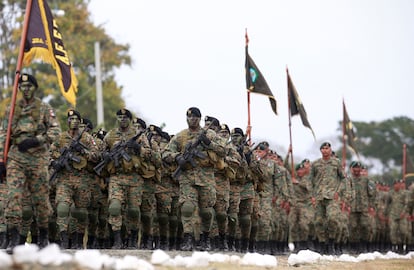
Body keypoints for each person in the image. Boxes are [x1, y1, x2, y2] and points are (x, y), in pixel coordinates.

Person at [0, 73, 61, 254]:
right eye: (23, 86)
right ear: (19, 89)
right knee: (13, 198)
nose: (26, 89)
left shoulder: (44, 109)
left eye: (29, 86)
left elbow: (56, 132)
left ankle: (43, 238)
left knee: (40, 200)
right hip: (16, 158)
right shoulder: (12, 110)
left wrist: (37, 140)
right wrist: (1, 159)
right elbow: (4, 134)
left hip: (37, 159)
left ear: (35, 88)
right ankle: (14, 240)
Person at [162, 107, 225, 251]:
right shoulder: (181, 136)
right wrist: (177, 157)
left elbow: (224, 151)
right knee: (187, 208)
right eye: (190, 117)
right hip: (187, 177)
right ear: (186, 119)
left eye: (195, 117)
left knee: (207, 211)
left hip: (206, 176)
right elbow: (165, 153)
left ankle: (205, 238)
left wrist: (209, 143)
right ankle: (188, 238)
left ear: (199, 119)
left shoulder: (209, 134)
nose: (193, 120)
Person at [102, 108, 156, 249]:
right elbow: (100, 153)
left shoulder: (138, 135)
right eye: (119, 117)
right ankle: (118, 239)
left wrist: (138, 148)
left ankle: (132, 239)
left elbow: (150, 154)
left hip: (134, 177)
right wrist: (106, 156)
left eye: (125, 117)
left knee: (133, 211)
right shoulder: (110, 135)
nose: (122, 120)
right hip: (117, 177)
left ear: (129, 120)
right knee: (114, 207)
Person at [50, 110, 99, 249]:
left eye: (76, 119)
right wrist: (54, 162)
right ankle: (64, 239)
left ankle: (78, 241)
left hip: (82, 179)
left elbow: (97, 156)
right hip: (64, 179)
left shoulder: (88, 138)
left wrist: (83, 151)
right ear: (67, 121)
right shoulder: (60, 138)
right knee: (62, 208)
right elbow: (49, 153)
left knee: (81, 212)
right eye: (71, 119)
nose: (74, 121)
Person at [310, 142, 345, 255]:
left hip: (332, 197)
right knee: (319, 222)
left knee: (332, 219)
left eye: (327, 148)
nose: (325, 150)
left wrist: (338, 192)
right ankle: (322, 244)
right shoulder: (315, 164)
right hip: (319, 196)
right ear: (320, 151)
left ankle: (331, 243)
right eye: (323, 148)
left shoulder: (336, 163)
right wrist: (312, 196)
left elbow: (344, 179)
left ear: (330, 150)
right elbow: (310, 181)